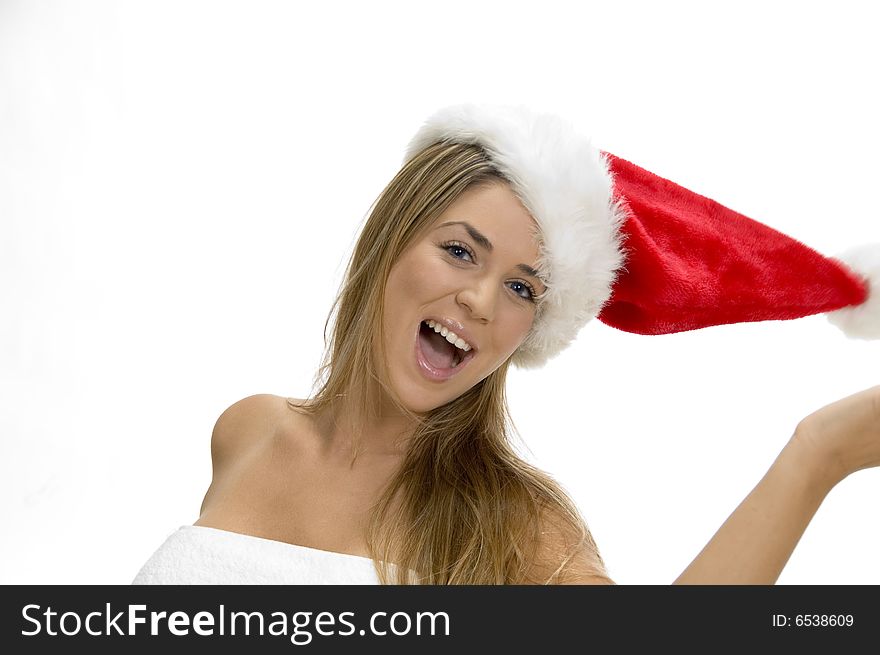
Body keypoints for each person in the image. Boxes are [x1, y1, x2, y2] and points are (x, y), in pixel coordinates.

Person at [132, 103, 879, 585]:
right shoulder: (247, 430)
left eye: (524, 287)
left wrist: (818, 455)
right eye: (461, 251)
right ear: (389, 243)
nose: (482, 302)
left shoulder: (514, 521)